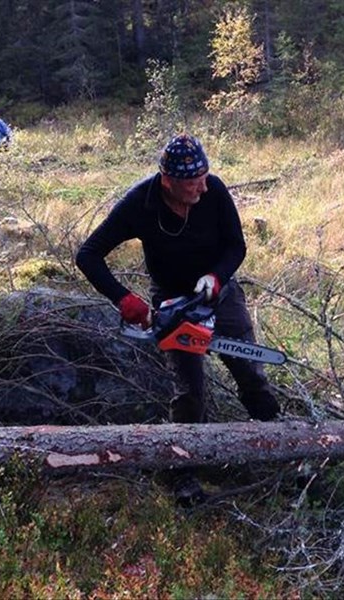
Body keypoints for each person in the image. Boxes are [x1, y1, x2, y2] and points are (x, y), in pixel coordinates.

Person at [76, 133, 281, 503]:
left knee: (249, 367)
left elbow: (237, 244)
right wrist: (124, 300)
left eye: (204, 177)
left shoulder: (214, 191)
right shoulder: (140, 203)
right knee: (189, 392)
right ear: (168, 180)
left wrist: (216, 276)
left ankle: (281, 443)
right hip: (172, 301)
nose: (201, 188)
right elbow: (88, 254)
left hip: (218, 292)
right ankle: (183, 471)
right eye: (192, 182)